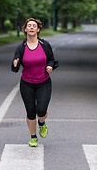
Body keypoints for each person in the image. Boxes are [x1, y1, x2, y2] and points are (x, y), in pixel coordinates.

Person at [11, 18, 58, 147]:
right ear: (25, 29)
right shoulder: (21, 47)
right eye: (29, 26)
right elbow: (14, 68)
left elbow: (52, 60)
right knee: (30, 111)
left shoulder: (44, 45)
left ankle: (41, 123)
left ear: (38, 29)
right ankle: (33, 136)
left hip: (44, 82)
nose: (31, 27)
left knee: (41, 110)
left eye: (34, 26)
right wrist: (15, 64)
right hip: (27, 83)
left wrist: (50, 66)